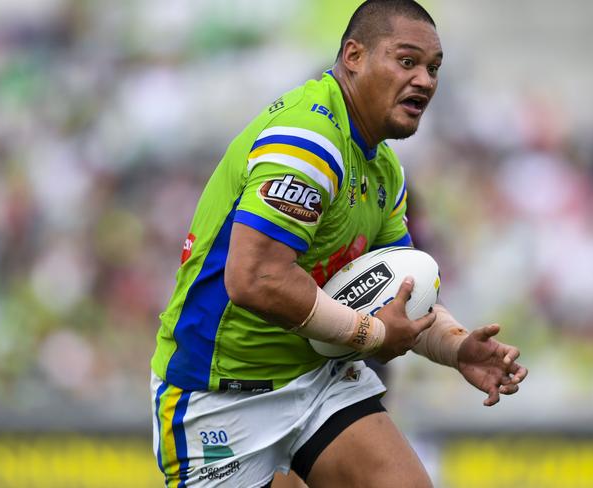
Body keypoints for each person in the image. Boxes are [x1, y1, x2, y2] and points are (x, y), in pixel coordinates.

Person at [150, 1, 528, 487]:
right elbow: (255, 279)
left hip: (316, 382)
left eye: (433, 69)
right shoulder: (309, 139)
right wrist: (369, 335)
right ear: (353, 55)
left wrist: (456, 348)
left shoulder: (384, 169)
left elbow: (400, 292)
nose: (426, 81)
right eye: (407, 61)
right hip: (220, 393)